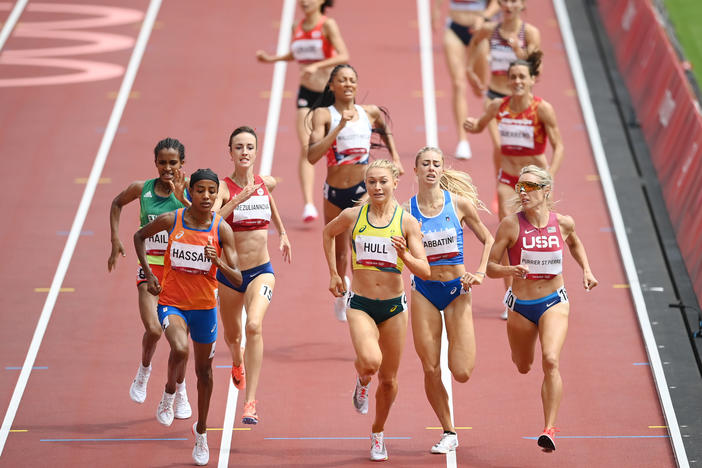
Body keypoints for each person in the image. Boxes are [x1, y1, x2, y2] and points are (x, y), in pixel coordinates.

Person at [322, 159, 430, 461]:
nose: (377, 187)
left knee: (390, 380)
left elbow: (425, 270)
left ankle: (378, 432)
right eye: (371, 182)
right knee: (370, 362)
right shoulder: (353, 216)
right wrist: (334, 272)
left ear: (395, 182)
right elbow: (328, 233)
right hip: (361, 304)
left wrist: (404, 254)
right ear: (365, 185)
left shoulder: (407, 222)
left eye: (383, 181)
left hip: (394, 308)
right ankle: (361, 380)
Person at [134, 169, 242, 465]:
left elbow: (237, 276)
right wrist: (149, 274)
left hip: (205, 308)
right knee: (180, 349)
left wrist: (217, 260)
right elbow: (139, 237)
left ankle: (202, 432)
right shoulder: (173, 220)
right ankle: (169, 392)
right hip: (172, 303)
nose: (206, 197)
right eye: (200, 191)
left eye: (211, 191)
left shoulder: (222, 230)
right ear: (190, 192)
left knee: (204, 373)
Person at [486, 165, 597, 451]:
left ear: (546, 191)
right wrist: (511, 269)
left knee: (551, 359)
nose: (523, 192)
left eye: (530, 187)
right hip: (521, 306)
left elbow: (574, 243)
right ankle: (524, 360)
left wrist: (586, 269)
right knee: (523, 365)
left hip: (554, 302)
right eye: (520, 186)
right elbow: (490, 268)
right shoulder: (510, 225)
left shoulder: (563, 222)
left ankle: (549, 429)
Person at [403, 147, 493, 454]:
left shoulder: (459, 205)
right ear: (415, 171)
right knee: (430, 367)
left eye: (436, 164)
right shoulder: (406, 211)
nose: (430, 168)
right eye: (425, 164)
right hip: (424, 292)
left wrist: (479, 272)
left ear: (442, 170)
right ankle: (448, 430)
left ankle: (449, 427)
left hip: (457, 291)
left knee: (462, 372)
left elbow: (490, 239)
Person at [464, 52, 562, 318]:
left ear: (532, 80)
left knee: (539, 236)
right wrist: (471, 126)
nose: (517, 81)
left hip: (537, 183)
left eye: (522, 77)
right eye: (513, 77)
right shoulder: (498, 106)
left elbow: (559, 145)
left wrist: (548, 177)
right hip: (509, 179)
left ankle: (546, 288)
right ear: (508, 81)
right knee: (510, 235)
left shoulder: (542, 108)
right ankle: (512, 291)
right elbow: (480, 125)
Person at [308, 63, 403, 321]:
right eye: (342, 80)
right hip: (333, 191)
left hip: (362, 190)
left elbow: (385, 129)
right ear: (332, 86)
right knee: (339, 250)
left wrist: (395, 157)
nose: (348, 84)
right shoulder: (323, 115)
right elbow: (312, 155)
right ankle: (341, 291)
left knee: (355, 245)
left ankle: (359, 296)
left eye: (352, 79)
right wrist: (338, 128)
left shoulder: (369, 112)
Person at [212, 126, 292, 426]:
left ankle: (250, 404)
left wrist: (283, 233)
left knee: (254, 325)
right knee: (233, 337)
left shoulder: (265, 182)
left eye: (249, 147)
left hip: (262, 270)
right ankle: (236, 360)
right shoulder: (222, 187)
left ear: (256, 152)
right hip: (231, 274)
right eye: (239, 147)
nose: (244, 152)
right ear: (230, 152)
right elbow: (213, 220)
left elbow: (270, 199)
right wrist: (239, 198)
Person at [107, 137, 192, 416]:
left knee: (181, 343)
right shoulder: (141, 189)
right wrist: (115, 239)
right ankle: (144, 371)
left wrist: (183, 198)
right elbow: (117, 203)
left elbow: (208, 216)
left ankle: (181, 391)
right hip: (149, 267)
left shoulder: (192, 190)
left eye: (173, 163)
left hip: (180, 272)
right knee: (154, 330)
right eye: (162, 162)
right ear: (155, 162)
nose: (167, 168)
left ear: (182, 164)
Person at [256, 0, 349, 223]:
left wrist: (318, 65)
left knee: (338, 146)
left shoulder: (328, 25)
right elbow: (296, 53)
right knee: (307, 146)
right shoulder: (296, 26)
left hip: (329, 93)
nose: (305, 2)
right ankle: (308, 204)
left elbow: (343, 55)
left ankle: (343, 193)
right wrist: (272, 59)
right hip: (306, 94)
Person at [467, 0, 541, 174]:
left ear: (522, 5)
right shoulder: (490, 30)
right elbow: (475, 42)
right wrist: (470, 70)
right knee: (501, 146)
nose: (508, 5)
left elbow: (536, 70)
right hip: (495, 98)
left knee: (522, 152)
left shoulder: (530, 33)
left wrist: (518, 51)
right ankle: (501, 185)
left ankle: (521, 188)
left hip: (522, 103)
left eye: (513, 1)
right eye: (504, 1)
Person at [431, 0, 499, 159]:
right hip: (454, 28)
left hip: (480, 31)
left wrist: (484, 16)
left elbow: (497, 3)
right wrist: (436, 10)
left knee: (480, 88)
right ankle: (463, 140)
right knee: (458, 84)